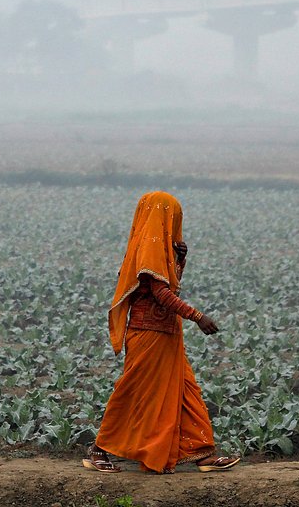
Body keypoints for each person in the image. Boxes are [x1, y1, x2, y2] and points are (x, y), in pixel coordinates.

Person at [83, 191, 240, 474]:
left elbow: (171, 282)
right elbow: (161, 292)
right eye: (173, 218)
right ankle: (99, 449)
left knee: (186, 391)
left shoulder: (162, 251)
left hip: (168, 334)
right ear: (163, 219)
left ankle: (201, 452)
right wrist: (197, 316)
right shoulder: (148, 249)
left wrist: (180, 261)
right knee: (133, 392)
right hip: (147, 334)